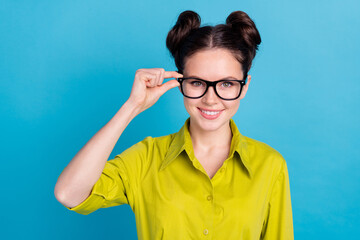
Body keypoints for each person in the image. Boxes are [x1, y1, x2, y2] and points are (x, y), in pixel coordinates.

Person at [54, 10, 294, 240]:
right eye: (197, 83)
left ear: (245, 85)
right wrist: (132, 108)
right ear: (180, 83)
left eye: (227, 84)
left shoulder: (270, 166)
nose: (211, 99)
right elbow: (68, 194)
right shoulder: (146, 158)